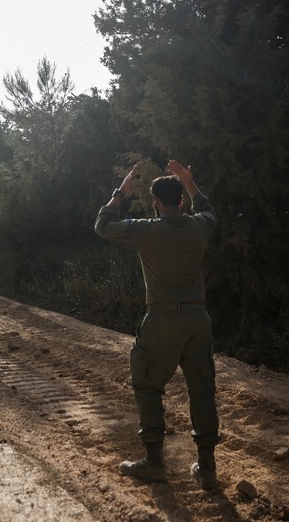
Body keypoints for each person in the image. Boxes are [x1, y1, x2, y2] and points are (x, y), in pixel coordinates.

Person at [94, 160, 220, 490]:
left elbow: (103, 224)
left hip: (163, 319)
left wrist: (120, 192)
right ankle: (207, 469)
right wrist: (189, 182)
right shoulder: (198, 227)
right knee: (202, 390)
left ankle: (154, 462)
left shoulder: (147, 230)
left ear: (155, 202)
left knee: (147, 385)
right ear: (180, 201)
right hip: (198, 319)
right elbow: (208, 211)